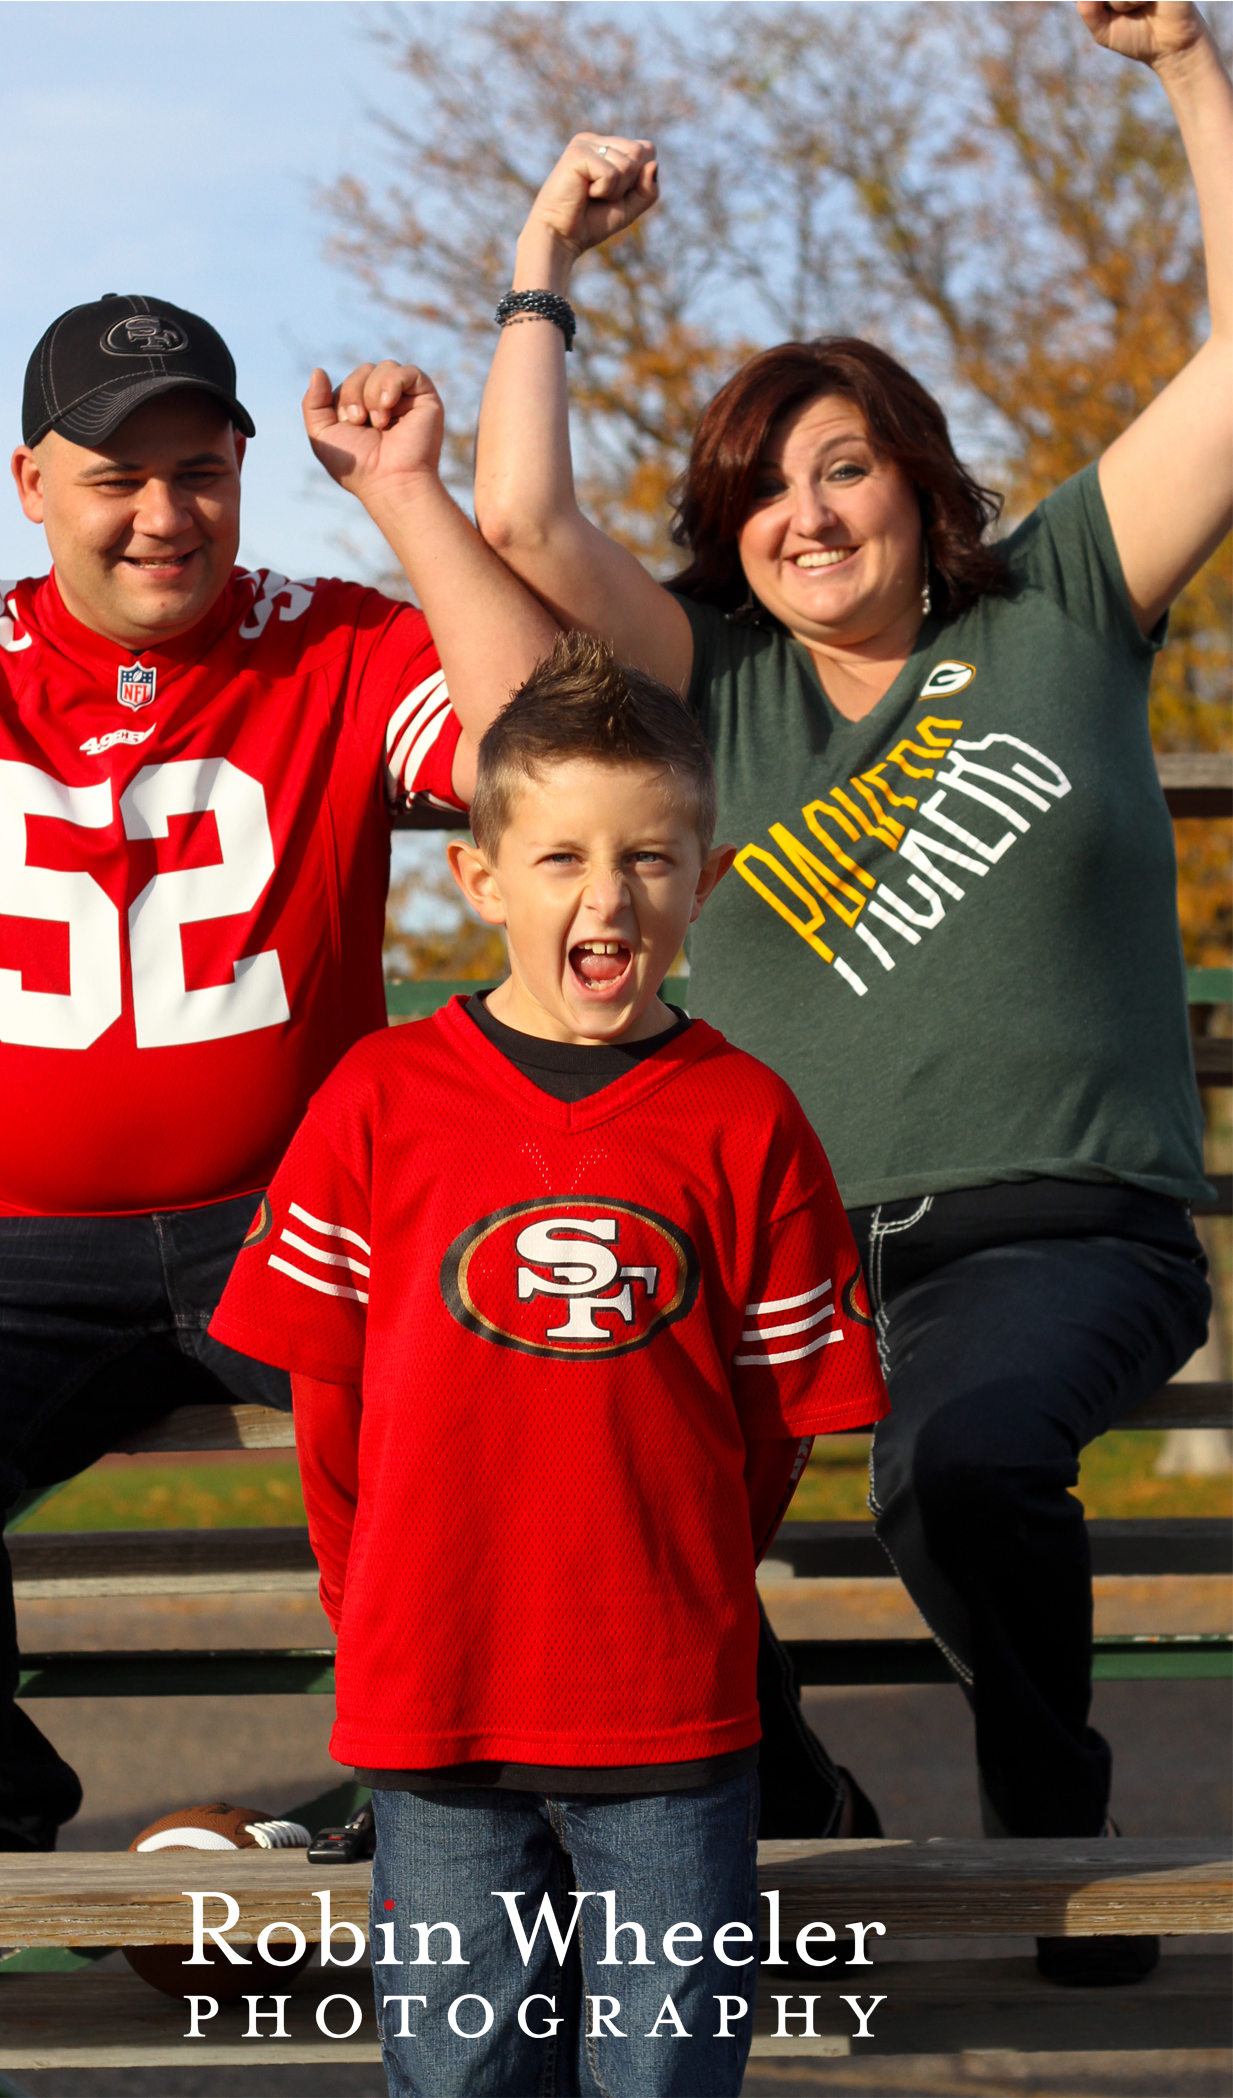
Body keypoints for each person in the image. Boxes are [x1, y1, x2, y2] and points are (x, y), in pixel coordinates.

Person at [470, 0, 1229, 1986]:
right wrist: (544, 259)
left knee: (956, 1453)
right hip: (783, 1254)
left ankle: (1053, 1810)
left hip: (1059, 1229)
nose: (807, 512)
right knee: (571, 1467)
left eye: (845, 465)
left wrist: (1188, 72)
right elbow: (527, 519)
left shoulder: (1058, 596)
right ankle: (794, 1787)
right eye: (761, 489)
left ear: (918, 479)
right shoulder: (716, 688)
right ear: (729, 533)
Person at [0, 296, 556, 1995]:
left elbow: (545, 761)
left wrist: (405, 496)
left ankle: (424, 1804)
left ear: (243, 474)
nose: (164, 514)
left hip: (297, 1209)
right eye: (116, 477)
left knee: (481, 1396)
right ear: (27, 482)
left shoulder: (340, 641)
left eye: (200, 472)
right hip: (4, 1232)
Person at [209, 635, 888, 2097]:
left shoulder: (748, 1117)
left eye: (649, 858)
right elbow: (327, 1397)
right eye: (564, 854)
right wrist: (370, 1594)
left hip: (665, 1713)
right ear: (481, 880)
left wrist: (678, 1572)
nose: (606, 895)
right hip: (433, 1692)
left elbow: (775, 1429)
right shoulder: (379, 1096)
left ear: (701, 881)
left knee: (660, 2075)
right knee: (457, 2076)